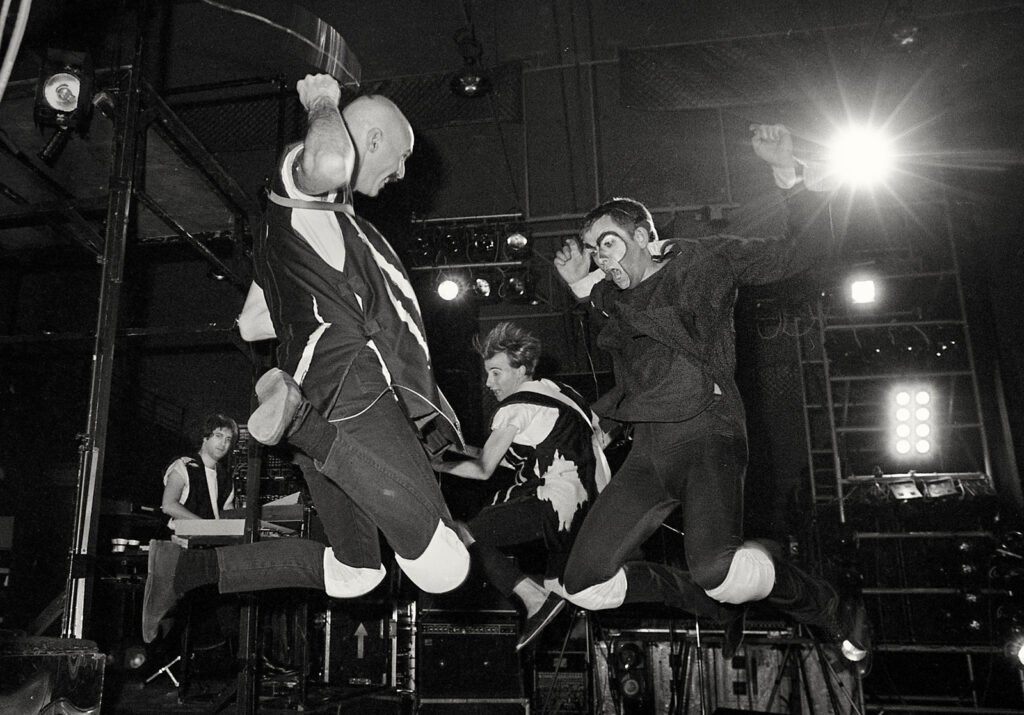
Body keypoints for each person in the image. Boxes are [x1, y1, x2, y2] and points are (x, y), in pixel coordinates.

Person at [142, 74, 470, 644]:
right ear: (369, 139)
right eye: (400, 154)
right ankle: (298, 423)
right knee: (445, 566)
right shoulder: (308, 176)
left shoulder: (301, 228)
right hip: (351, 384)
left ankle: (184, 570)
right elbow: (328, 164)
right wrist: (323, 103)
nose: (400, 172)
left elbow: (252, 323)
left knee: (356, 573)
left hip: (315, 392)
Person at [551, 124, 870, 664]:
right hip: (651, 453)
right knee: (582, 584)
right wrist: (584, 289)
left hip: (709, 434)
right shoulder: (609, 298)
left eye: (607, 243)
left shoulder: (705, 262)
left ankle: (830, 606)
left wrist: (790, 174)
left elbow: (800, 252)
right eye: (591, 251)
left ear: (645, 237)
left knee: (718, 570)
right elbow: (623, 337)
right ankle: (709, 606)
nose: (600, 258)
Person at [433, 322, 609, 650]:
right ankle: (546, 601)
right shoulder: (564, 395)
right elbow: (504, 456)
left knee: (461, 533)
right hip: (587, 511)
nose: (489, 383)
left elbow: (485, 468)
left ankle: (532, 599)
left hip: (555, 503)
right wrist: (451, 451)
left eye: (497, 373)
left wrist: (433, 464)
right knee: (562, 589)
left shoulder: (517, 406)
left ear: (522, 370)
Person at [159, 413, 238, 529]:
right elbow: (169, 505)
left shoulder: (225, 478)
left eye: (228, 439)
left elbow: (229, 514)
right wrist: (206, 527)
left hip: (211, 542)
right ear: (205, 437)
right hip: (181, 541)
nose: (223, 443)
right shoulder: (183, 465)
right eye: (218, 436)